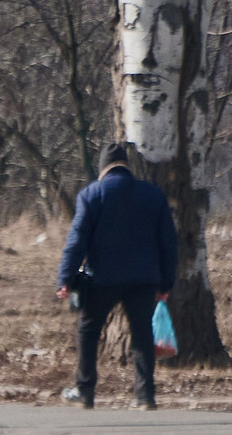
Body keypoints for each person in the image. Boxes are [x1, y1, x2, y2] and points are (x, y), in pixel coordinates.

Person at [58, 143, 179, 409]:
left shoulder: (91, 195)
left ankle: (85, 390)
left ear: (103, 169)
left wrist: (65, 278)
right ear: (126, 166)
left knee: (88, 330)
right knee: (142, 335)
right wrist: (166, 282)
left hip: (102, 278)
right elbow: (168, 243)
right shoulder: (152, 195)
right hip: (145, 279)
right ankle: (145, 395)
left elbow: (77, 241)